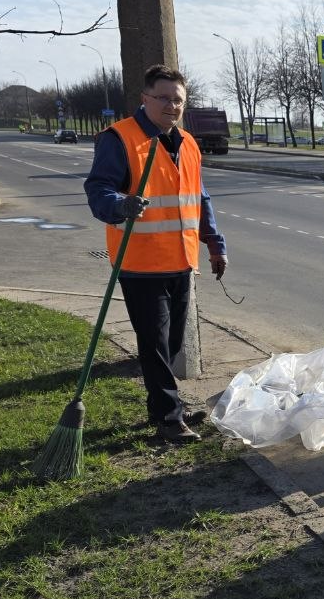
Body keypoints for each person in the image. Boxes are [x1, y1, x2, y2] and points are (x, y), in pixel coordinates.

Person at [84, 64, 227, 444]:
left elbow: (199, 199)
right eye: (163, 98)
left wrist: (214, 244)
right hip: (141, 263)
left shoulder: (188, 143)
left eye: (177, 100)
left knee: (172, 343)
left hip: (181, 261)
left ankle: (164, 406)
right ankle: (168, 418)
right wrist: (121, 205)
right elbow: (98, 190)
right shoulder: (120, 138)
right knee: (155, 344)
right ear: (145, 98)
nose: (171, 106)